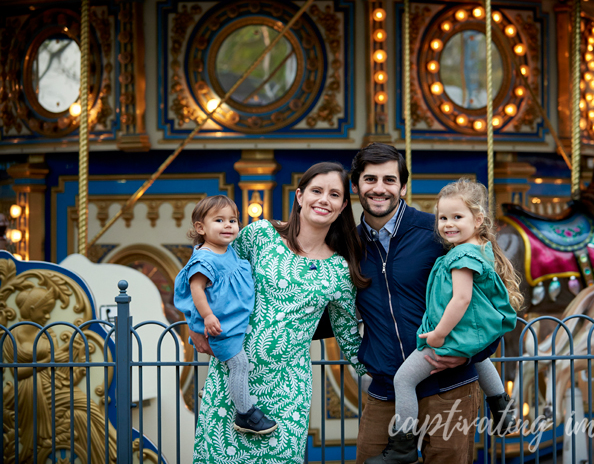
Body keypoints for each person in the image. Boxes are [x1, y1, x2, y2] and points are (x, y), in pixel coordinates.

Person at [188, 162, 369, 463]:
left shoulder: (339, 270)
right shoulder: (260, 236)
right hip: (233, 381)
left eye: (334, 194)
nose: (324, 199)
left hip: (287, 391)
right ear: (299, 196)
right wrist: (195, 324)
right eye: (316, 191)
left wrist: (390, 375)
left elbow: (349, 336)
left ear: (343, 206)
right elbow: (210, 271)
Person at [351, 143, 510, 464]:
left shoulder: (436, 232)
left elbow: (484, 298)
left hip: (448, 386)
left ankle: (501, 403)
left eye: (389, 180)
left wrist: (473, 352)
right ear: (356, 186)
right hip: (387, 389)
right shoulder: (349, 246)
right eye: (370, 180)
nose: (379, 188)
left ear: (403, 186)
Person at [174, 195, 277, 435]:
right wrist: (207, 316)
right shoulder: (205, 257)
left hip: (234, 321)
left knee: (233, 365)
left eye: (233, 220)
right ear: (201, 228)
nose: (228, 225)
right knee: (240, 365)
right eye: (219, 220)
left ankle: (215, 391)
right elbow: (196, 289)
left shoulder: (226, 250)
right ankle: (246, 414)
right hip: (221, 326)